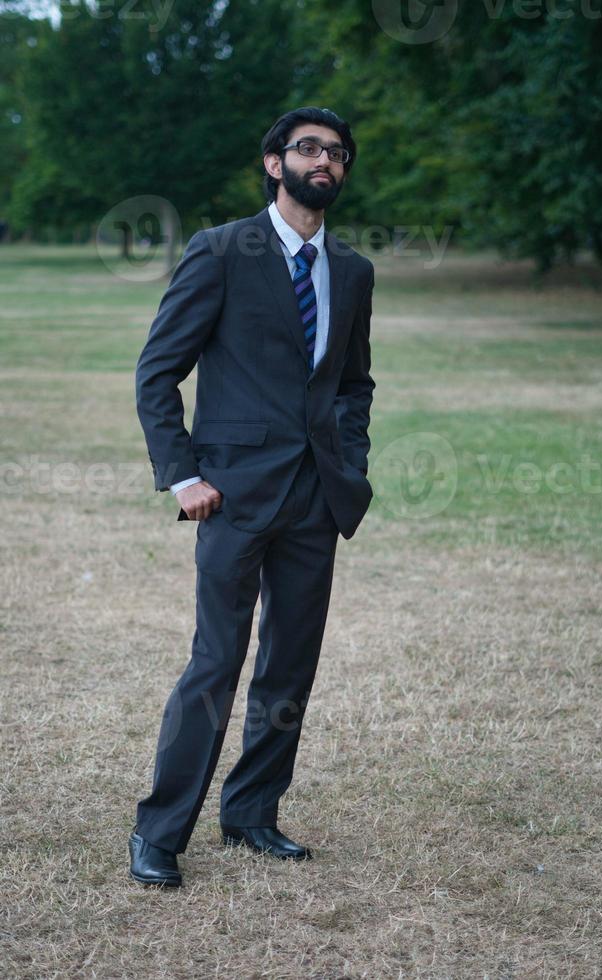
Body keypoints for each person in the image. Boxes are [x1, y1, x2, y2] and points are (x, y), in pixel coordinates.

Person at [129, 106, 375, 887]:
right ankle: (161, 833)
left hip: (316, 498)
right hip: (231, 494)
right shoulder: (221, 250)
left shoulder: (355, 271)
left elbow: (353, 385)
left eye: (337, 153)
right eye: (309, 148)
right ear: (275, 164)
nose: (325, 161)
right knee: (217, 662)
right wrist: (184, 473)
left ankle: (253, 814)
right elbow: (156, 372)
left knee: (289, 668)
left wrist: (352, 465)